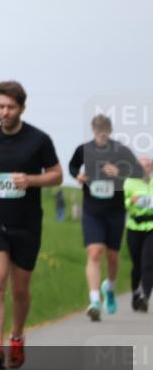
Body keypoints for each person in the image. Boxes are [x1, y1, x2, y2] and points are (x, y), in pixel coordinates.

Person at [0, 81, 62, 370]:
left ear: (22, 108)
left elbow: (56, 175)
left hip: (27, 222)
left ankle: (16, 337)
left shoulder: (39, 141)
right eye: (0, 106)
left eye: (10, 107)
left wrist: (31, 180)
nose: (5, 112)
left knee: (20, 289)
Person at [67, 114, 143, 321]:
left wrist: (120, 171)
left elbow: (138, 170)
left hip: (115, 212)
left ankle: (109, 287)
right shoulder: (84, 150)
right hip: (92, 211)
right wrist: (78, 176)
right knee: (94, 252)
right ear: (93, 131)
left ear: (110, 132)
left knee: (112, 256)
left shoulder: (120, 150)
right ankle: (94, 301)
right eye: (97, 133)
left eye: (104, 133)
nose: (101, 137)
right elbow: (72, 166)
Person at [124, 156, 153, 312]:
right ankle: (136, 293)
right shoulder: (129, 182)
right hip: (134, 227)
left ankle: (145, 297)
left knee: (148, 264)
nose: (144, 168)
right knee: (137, 265)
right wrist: (131, 201)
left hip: (152, 227)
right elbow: (123, 202)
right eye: (141, 166)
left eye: (147, 165)